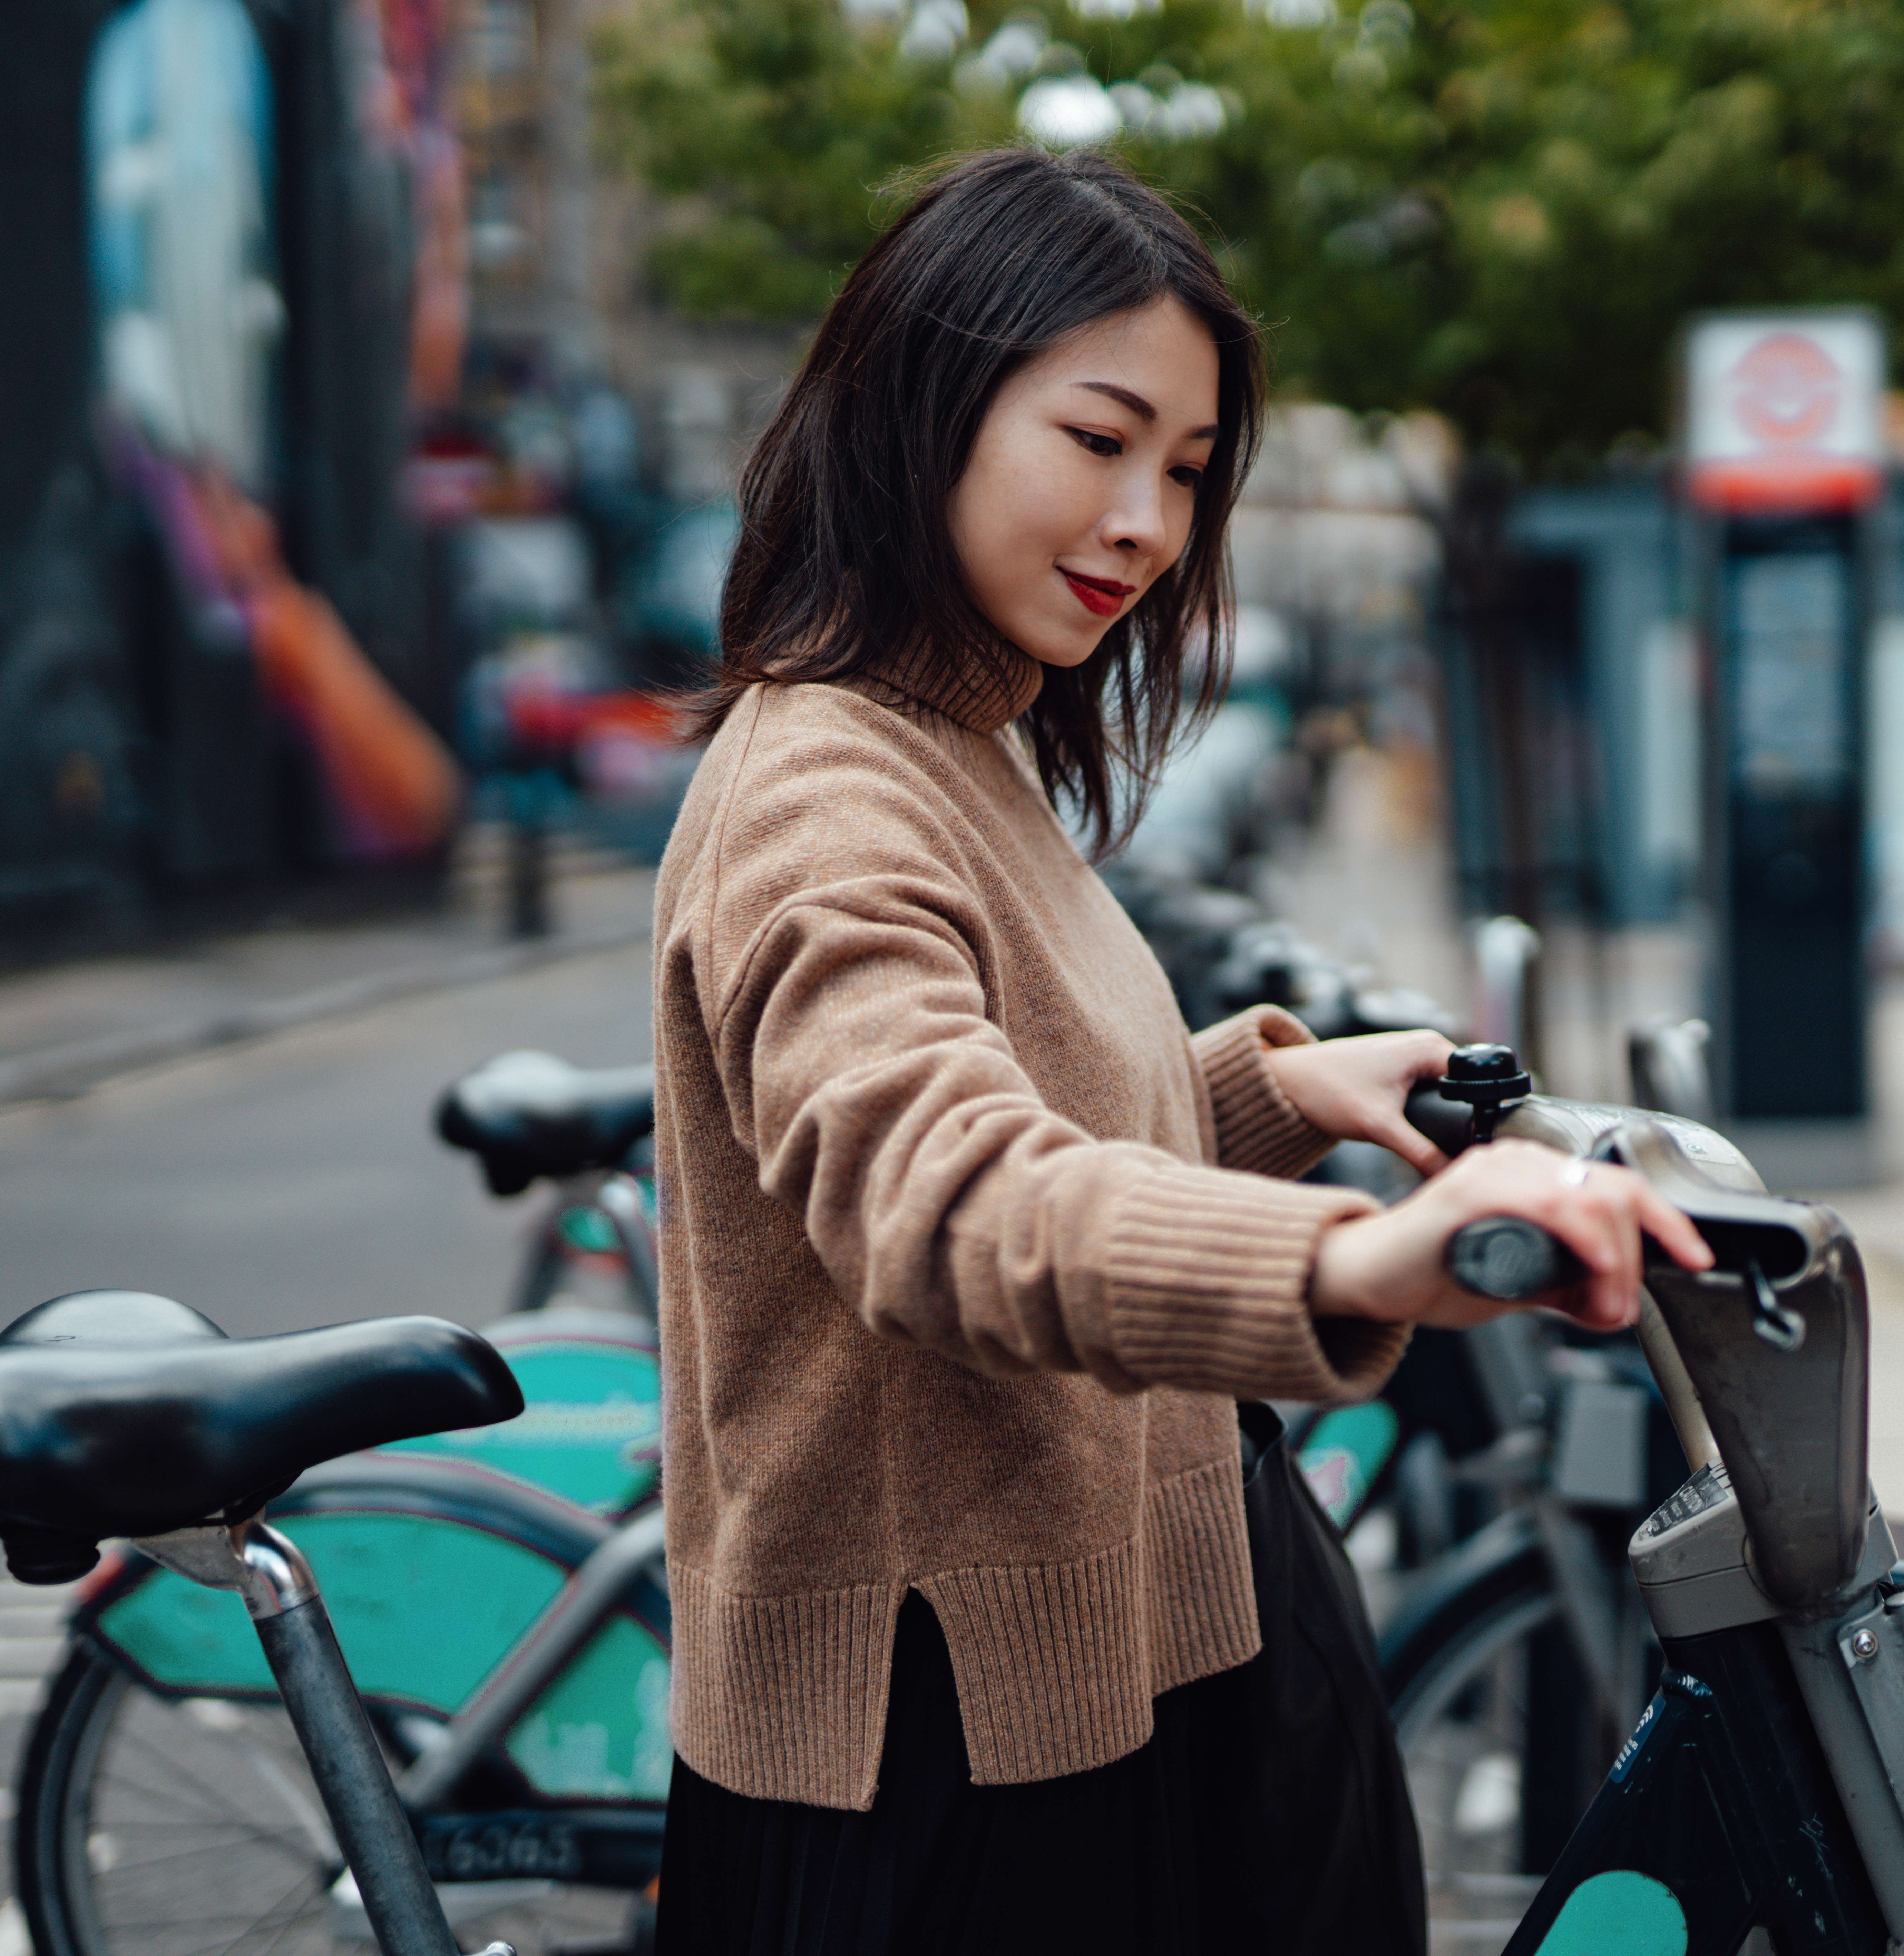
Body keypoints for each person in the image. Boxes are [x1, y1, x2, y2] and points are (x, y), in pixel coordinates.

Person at [646, 145, 1710, 1956]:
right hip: (955, 1766)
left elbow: (1039, 1102)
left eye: (1190, 470)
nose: (1145, 519)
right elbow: (951, 1201)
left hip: (1132, 1650)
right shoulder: (822, 790)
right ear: (924, 403)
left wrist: (1283, 1091)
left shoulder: (957, 736)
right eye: (1098, 436)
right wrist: (1359, 1255)